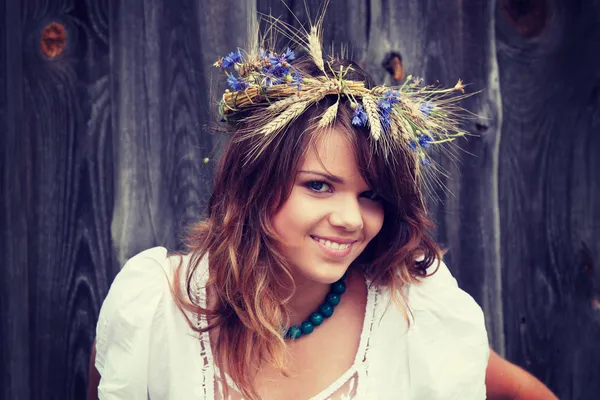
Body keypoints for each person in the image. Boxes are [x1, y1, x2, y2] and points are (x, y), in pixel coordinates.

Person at [88, 12, 558, 400]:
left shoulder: (412, 310)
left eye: (371, 195)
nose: (352, 219)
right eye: (318, 186)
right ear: (252, 181)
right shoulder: (154, 308)